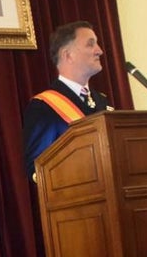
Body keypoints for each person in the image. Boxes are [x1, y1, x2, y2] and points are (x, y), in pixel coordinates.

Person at [22, 20, 112, 178]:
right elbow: (38, 169)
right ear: (68, 55)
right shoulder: (44, 106)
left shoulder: (102, 101)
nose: (100, 51)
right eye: (90, 44)